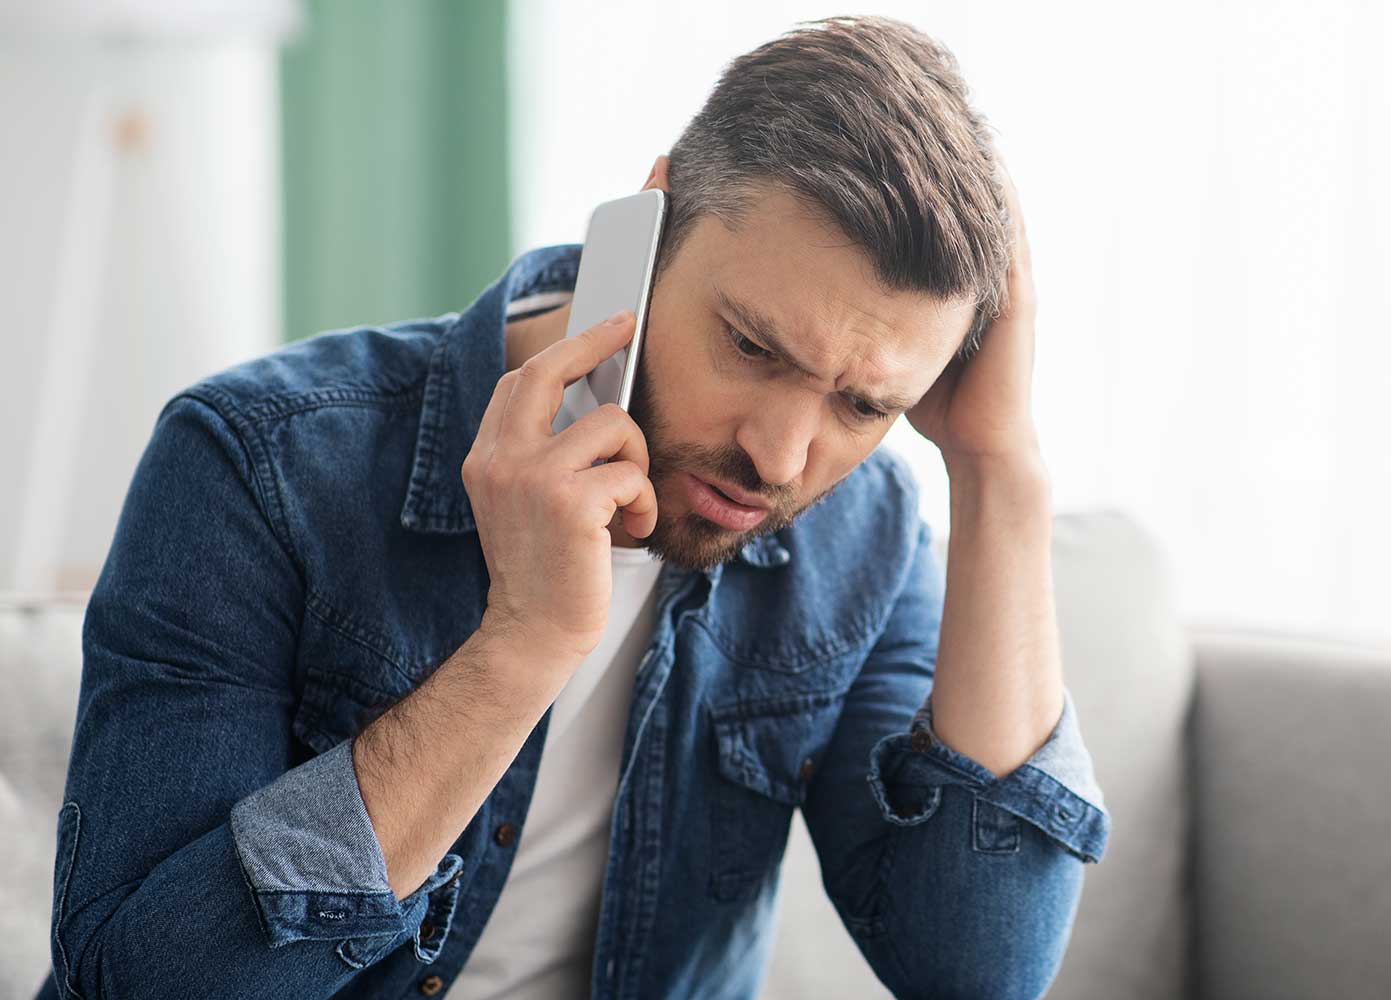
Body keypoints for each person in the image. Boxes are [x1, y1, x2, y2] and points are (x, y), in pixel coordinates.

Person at [39, 15, 1106, 1000]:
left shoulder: (860, 531)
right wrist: (521, 648)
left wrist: (998, 469)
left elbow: (978, 966)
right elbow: (140, 981)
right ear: (646, 226)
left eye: (865, 403)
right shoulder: (256, 464)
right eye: (748, 345)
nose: (778, 455)